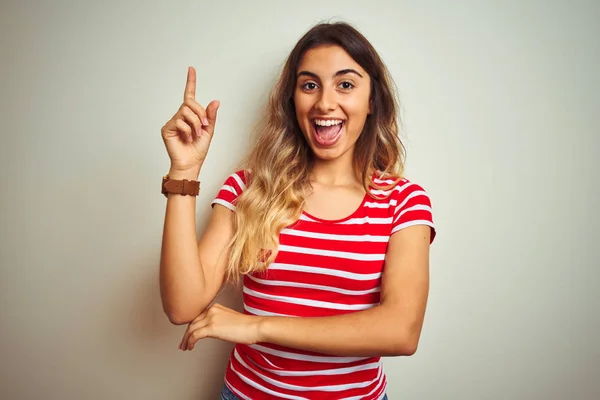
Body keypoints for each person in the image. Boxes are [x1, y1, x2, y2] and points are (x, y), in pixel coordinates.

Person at [159, 21, 436, 400]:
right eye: (309, 85)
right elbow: (181, 305)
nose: (324, 102)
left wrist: (258, 327)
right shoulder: (248, 189)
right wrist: (184, 172)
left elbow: (401, 331)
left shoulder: (403, 201)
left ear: (372, 101)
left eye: (346, 84)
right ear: (293, 100)